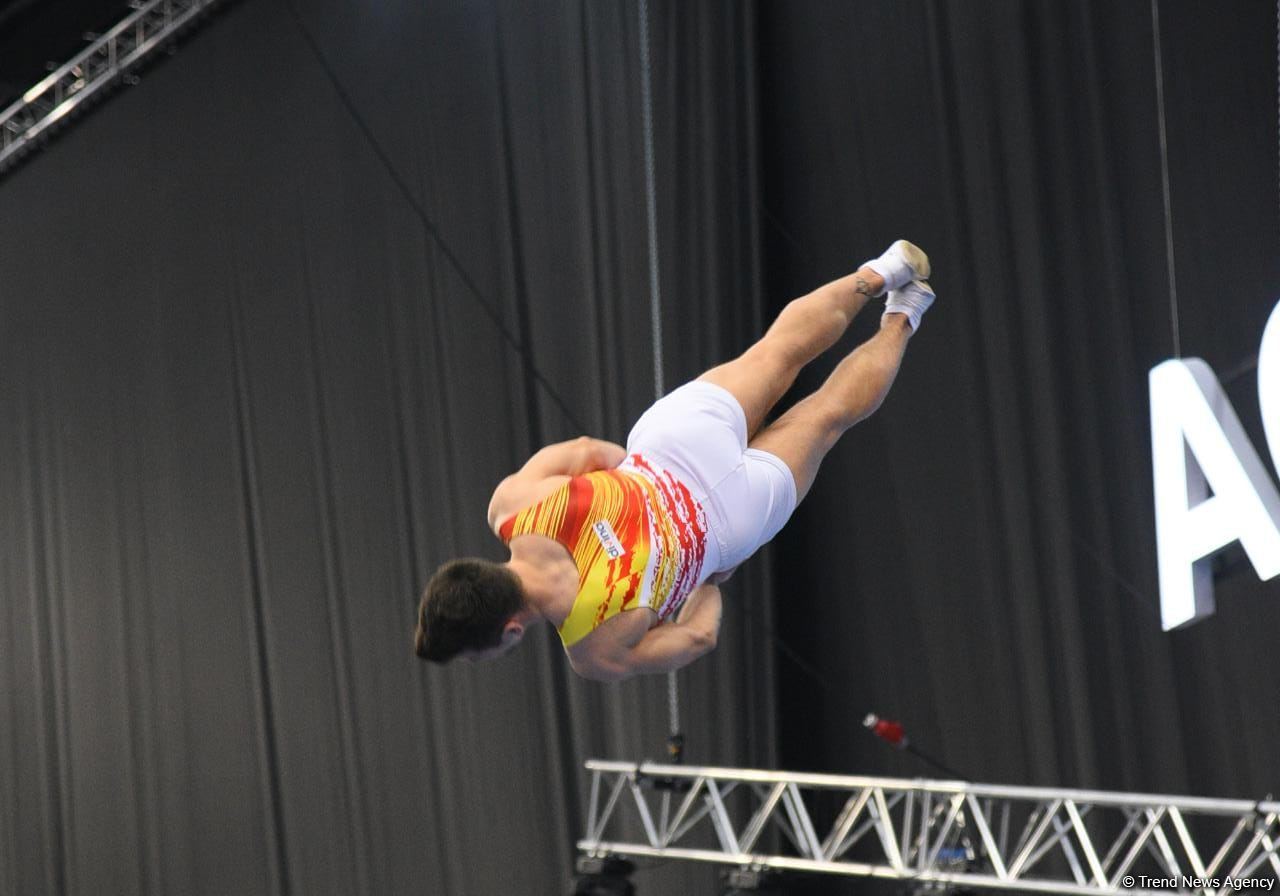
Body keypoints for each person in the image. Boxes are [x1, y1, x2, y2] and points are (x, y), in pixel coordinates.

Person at [413, 240, 936, 681]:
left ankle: (904, 314)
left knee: (825, 415)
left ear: (507, 632)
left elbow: (699, 636)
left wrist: (701, 577)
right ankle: (880, 272)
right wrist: (641, 485)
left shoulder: (595, 650)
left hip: (725, 522)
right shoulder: (512, 504)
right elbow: (591, 451)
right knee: (776, 352)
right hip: (673, 447)